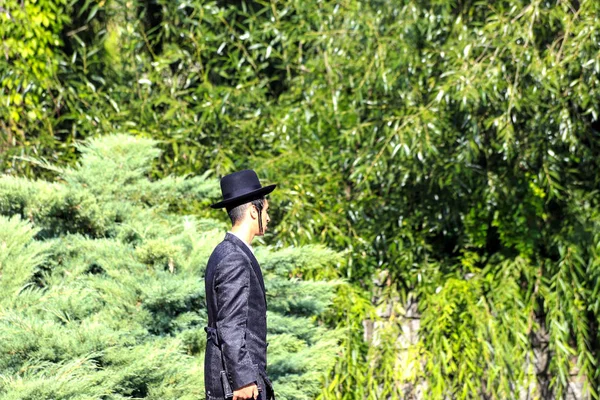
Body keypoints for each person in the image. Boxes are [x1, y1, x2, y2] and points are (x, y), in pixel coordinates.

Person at [204, 169, 276, 400]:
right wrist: (243, 379)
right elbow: (230, 324)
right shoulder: (234, 257)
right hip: (240, 387)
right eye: (266, 209)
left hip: (233, 380)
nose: (268, 218)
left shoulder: (223, 251)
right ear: (254, 211)